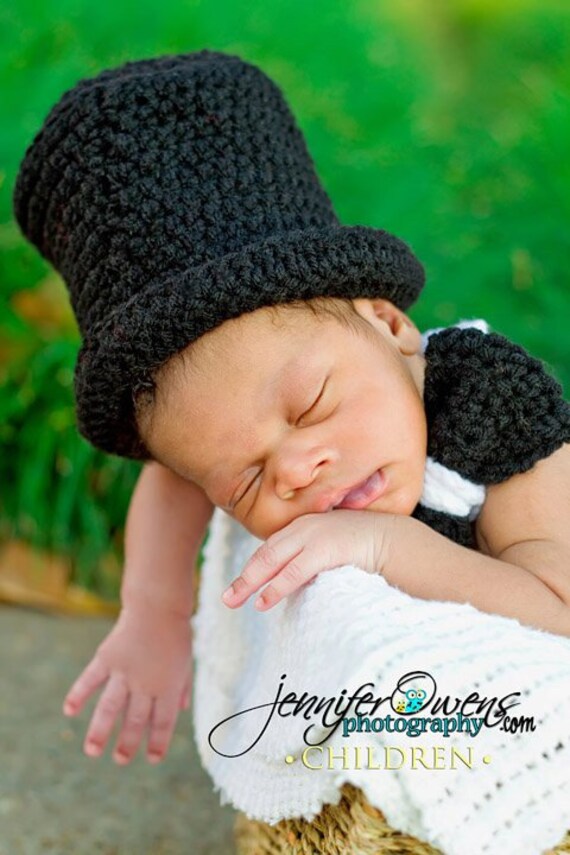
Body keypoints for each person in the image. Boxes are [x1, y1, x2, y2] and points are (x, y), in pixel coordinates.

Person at [13, 51, 570, 774]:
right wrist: (152, 611)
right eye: (244, 479)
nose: (295, 469)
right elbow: (177, 479)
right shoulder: (231, 432)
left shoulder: (491, 407)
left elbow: (558, 608)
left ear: (389, 325)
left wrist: (382, 546)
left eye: (310, 405)